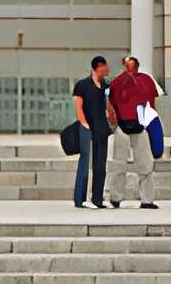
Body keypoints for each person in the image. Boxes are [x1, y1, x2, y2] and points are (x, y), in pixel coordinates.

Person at [107, 55, 162, 209]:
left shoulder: (143, 80)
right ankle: (117, 198)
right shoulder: (120, 81)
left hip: (136, 126)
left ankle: (144, 199)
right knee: (121, 164)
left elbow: (151, 104)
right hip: (126, 126)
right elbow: (111, 105)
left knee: (144, 164)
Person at [69, 56, 114, 210]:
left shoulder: (105, 86)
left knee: (100, 163)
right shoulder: (82, 85)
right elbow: (78, 107)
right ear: (98, 67)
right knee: (86, 163)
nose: (107, 70)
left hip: (102, 128)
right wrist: (84, 124)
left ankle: (97, 199)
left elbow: (108, 105)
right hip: (87, 128)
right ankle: (80, 199)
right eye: (105, 67)